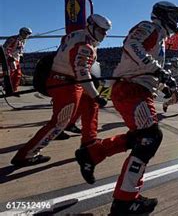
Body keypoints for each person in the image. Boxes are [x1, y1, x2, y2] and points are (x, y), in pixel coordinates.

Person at [74, 1, 178, 215]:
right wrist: (158, 70)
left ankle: (92, 153)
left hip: (136, 89)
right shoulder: (150, 27)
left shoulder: (160, 38)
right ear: (165, 15)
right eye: (176, 17)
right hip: (131, 89)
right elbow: (131, 44)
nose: (177, 22)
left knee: (140, 137)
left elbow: (145, 67)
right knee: (150, 137)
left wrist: (165, 84)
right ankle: (125, 201)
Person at [11, 14, 111, 167]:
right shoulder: (85, 45)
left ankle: (87, 139)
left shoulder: (74, 35)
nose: (104, 34)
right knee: (59, 123)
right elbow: (82, 72)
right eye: (101, 30)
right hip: (66, 84)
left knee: (88, 103)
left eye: (106, 31)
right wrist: (97, 95)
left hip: (62, 80)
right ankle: (26, 155)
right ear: (91, 26)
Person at [2, 27, 32, 92]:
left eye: (28, 34)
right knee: (10, 74)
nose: (27, 36)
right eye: (26, 34)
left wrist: (21, 56)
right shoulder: (13, 39)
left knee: (18, 74)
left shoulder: (23, 41)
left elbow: (20, 50)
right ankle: (7, 88)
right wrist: (10, 57)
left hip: (16, 59)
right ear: (22, 32)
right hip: (9, 59)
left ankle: (13, 89)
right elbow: (5, 48)